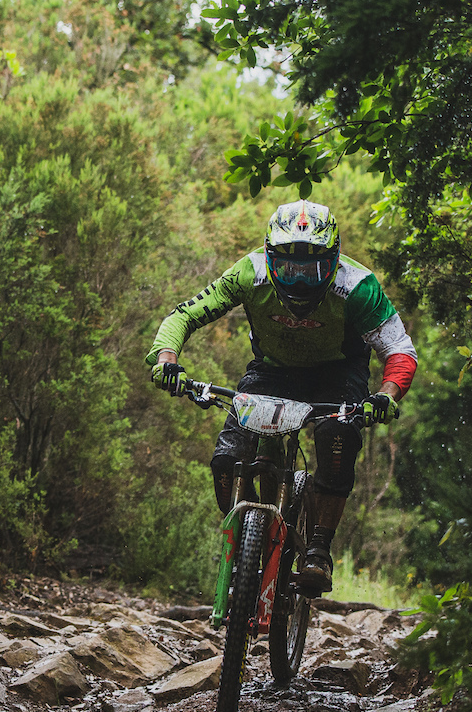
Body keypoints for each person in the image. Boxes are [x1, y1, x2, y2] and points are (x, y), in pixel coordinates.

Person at [146, 199, 418, 594]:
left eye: (313, 269)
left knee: (335, 438)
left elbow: (399, 350)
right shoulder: (249, 272)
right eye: (289, 267)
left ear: (334, 259)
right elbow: (184, 315)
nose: (300, 280)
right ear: (271, 258)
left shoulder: (359, 287)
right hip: (273, 370)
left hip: (338, 373)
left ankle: (318, 550)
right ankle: (248, 537)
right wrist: (168, 360)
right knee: (226, 461)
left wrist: (386, 394)